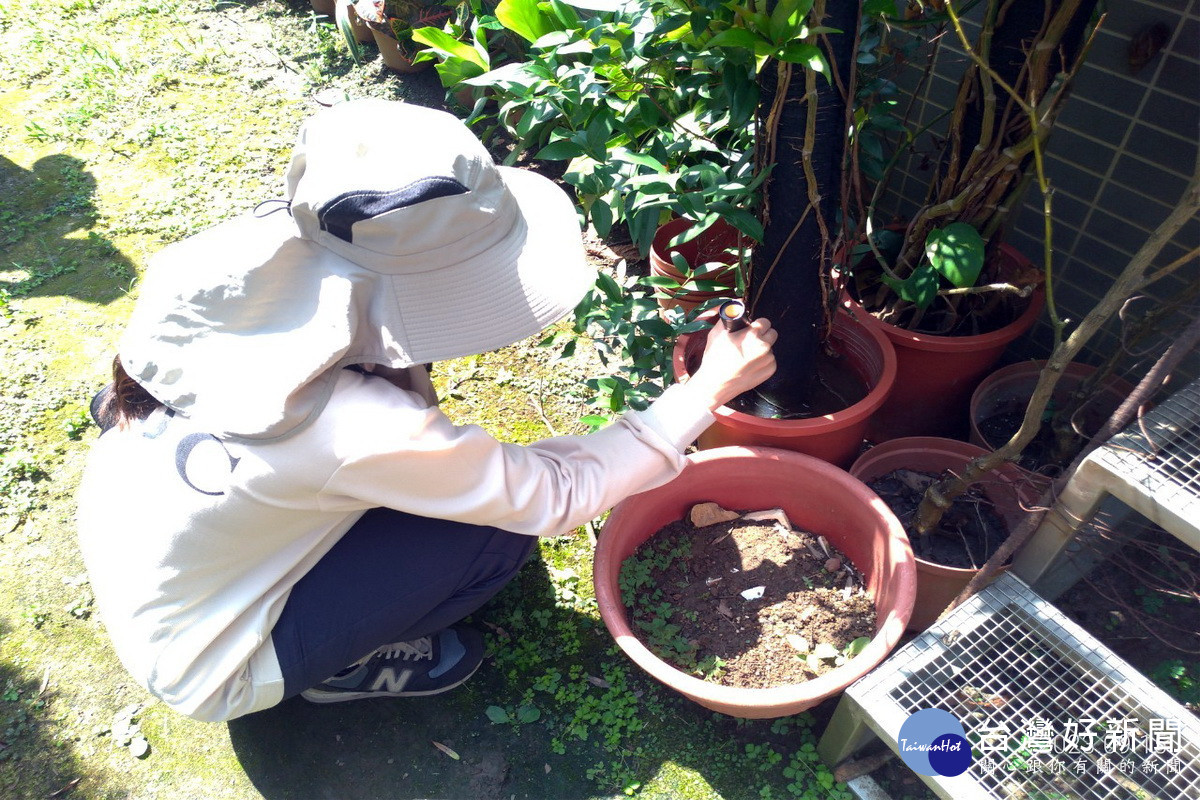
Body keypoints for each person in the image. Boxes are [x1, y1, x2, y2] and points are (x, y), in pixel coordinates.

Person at [75, 99, 777, 723]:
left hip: (144, 535)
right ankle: (334, 668)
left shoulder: (228, 270)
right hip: (211, 656)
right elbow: (555, 496)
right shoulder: (349, 422)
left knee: (430, 496)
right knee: (494, 535)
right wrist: (704, 390)